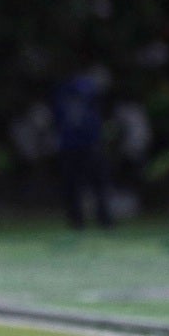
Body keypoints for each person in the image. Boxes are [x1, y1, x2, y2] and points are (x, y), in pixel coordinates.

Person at [51, 64, 114, 229]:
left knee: (84, 185)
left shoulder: (62, 90)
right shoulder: (84, 88)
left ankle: (82, 219)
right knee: (91, 184)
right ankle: (97, 219)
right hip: (81, 143)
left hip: (75, 144)